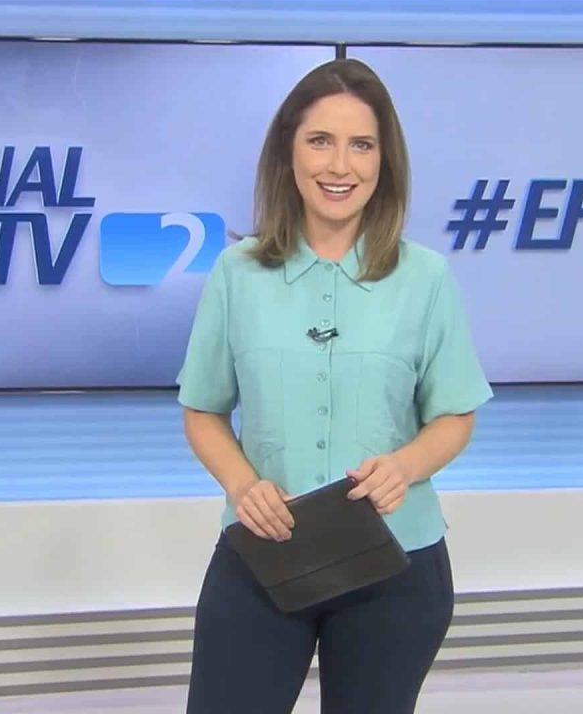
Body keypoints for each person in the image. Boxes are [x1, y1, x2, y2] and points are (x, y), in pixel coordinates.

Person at [176, 57, 494, 714]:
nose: (340, 166)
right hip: (264, 554)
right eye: (320, 141)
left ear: (385, 160)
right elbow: (202, 409)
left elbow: (454, 415)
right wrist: (244, 485)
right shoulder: (237, 274)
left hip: (395, 561)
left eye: (362, 145)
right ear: (288, 152)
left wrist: (404, 467)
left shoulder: (426, 279)